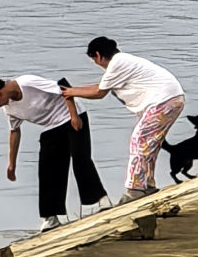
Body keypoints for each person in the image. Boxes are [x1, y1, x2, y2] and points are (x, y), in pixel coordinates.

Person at [0, 73, 110, 232]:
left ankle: (102, 200)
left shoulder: (27, 82)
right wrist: (11, 164)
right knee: (48, 170)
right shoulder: (9, 109)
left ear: (0, 94)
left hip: (73, 116)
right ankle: (50, 217)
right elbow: (14, 131)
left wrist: (74, 116)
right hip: (52, 127)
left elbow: (63, 88)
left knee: (80, 158)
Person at [61, 37, 185, 204]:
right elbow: (100, 86)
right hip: (171, 99)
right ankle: (146, 184)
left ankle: (135, 189)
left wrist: (72, 93)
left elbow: (99, 93)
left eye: (93, 60)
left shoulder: (117, 64)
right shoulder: (122, 62)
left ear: (97, 55)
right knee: (148, 144)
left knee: (139, 140)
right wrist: (71, 91)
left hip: (164, 101)